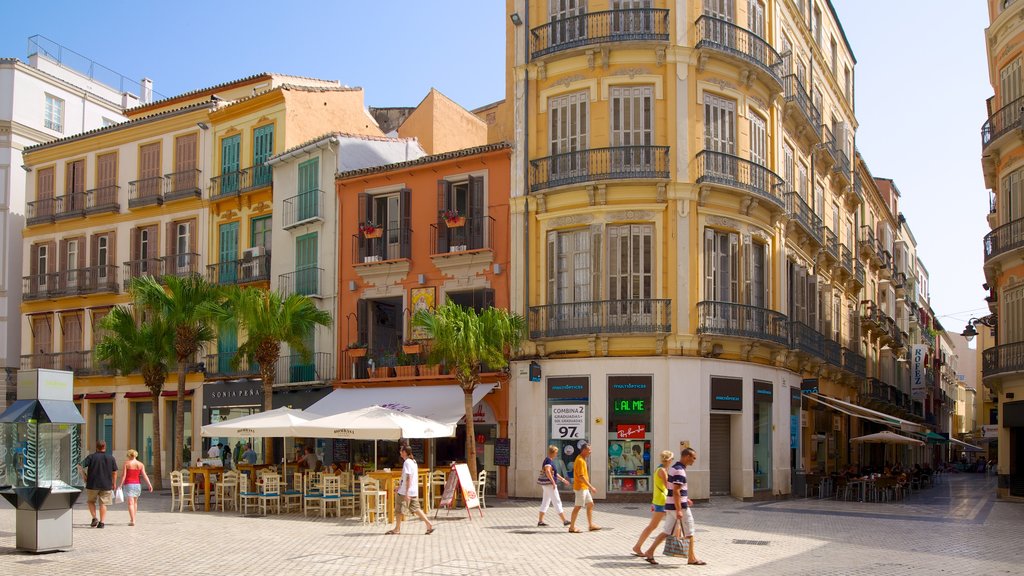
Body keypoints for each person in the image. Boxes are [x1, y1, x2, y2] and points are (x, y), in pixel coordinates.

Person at [643, 447, 705, 565]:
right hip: (679, 507)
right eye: (693, 458)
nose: (694, 460)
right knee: (689, 532)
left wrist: (685, 498)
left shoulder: (673, 468)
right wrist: (679, 509)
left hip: (670, 505)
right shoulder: (679, 471)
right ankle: (691, 558)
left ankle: (649, 552)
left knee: (667, 532)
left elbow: (673, 489)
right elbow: (676, 491)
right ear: (687, 457)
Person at [385, 445, 434, 535]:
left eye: (401, 451)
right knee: (416, 508)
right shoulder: (413, 461)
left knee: (398, 509)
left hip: (405, 491)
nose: (400, 452)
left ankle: (397, 529)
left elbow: (408, 477)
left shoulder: (407, 462)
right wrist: (400, 486)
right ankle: (429, 524)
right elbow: (405, 477)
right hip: (412, 490)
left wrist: (406, 492)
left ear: (404, 452)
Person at [631, 450, 673, 557]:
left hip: (659, 500)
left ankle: (675, 549)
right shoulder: (662, 470)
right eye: (672, 459)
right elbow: (668, 486)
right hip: (662, 501)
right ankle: (637, 547)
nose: (672, 461)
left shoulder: (659, 469)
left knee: (674, 524)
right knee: (654, 526)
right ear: (668, 460)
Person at [79, 440, 118, 529]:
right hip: (106, 484)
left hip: (92, 484)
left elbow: (80, 465)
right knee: (103, 504)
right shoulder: (110, 458)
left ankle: (94, 518)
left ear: (96, 447)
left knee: (91, 501)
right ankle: (102, 522)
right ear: (105, 447)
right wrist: (114, 483)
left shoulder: (91, 457)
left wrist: (84, 476)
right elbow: (115, 472)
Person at [568, 441, 600, 533]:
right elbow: (581, 476)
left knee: (590, 504)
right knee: (577, 507)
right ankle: (572, 527)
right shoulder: (580, 460)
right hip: (580, 488)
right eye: (589, 450)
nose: (590, 452)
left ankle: (590, 525)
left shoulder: (582, 459)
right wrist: (591, 487)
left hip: (584, 487)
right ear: (584, 450)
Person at [537, 445, 571, 527]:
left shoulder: (548, 460)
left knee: (545, 502)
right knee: (557, 501)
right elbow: (548, 471)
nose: (557, 454)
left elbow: (554, 473)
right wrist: (553, 482)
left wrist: (563, 480)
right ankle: (564, 520)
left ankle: (540, 521)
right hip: (549, 485)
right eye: (556, 453)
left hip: (546, 485)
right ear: (552, 453)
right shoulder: (548, 461)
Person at [117, 449, 153, 527]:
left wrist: (120, 485)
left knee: (130, 503)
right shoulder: (140, 464)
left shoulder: (127, 463)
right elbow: (144, 475)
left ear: (129, 455)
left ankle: (132, 520)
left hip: (129, 484)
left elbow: (124, 476)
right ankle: (133, 518)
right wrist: (149, 484)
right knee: (135, 502)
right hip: (137, 485)